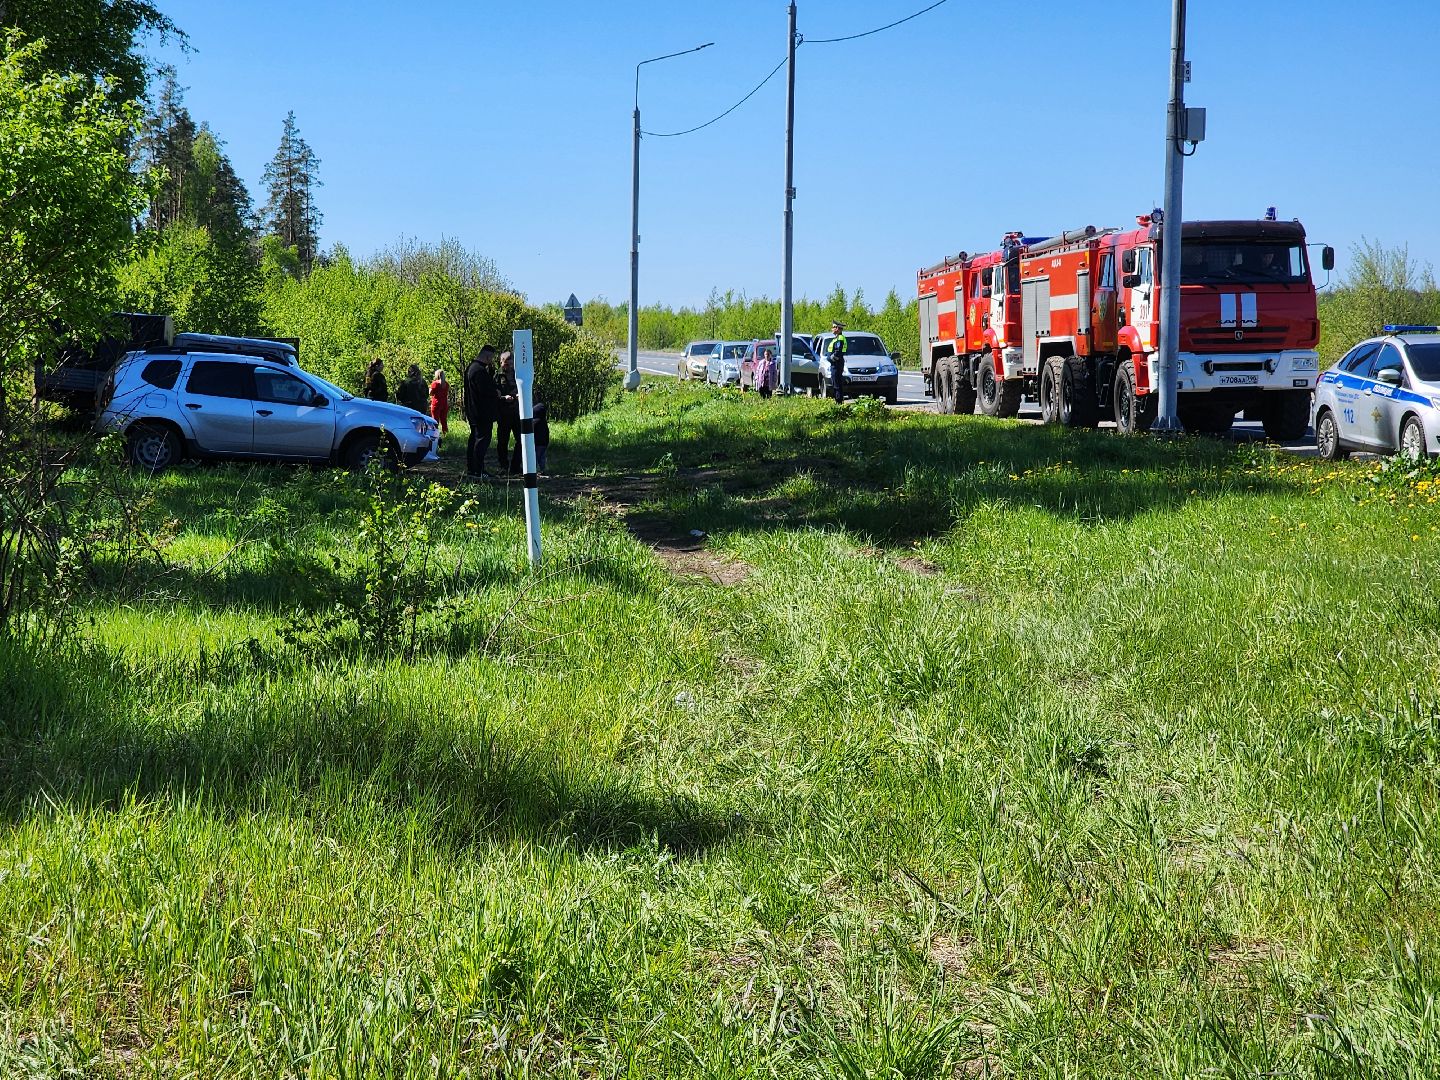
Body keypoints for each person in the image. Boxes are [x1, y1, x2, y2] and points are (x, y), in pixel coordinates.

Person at [463, 344, 499, 478]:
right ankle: (478, 470)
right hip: (482, 412)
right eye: (491, 358)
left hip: (473, 410)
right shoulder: (479, 371)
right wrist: (497, 392)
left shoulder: (470, 368)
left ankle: (472, 469)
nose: (491, 361)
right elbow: (485, 391)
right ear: (487, 356)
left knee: (474, 439)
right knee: (481, 440)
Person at [495, 349, 520, 474]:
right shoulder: (497, 376)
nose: (508, 366)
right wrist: (504, 398)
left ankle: (515, 467)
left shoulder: (518, 375)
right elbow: (494, 394)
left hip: (517, 412)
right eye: (505, 364)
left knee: (521, 440)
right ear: (501, 362)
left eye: (510, 363)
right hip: (503, 413)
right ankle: (503, 466)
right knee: (502, 442)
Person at [826, 321, 848, 403]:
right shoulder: (837, 338)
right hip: (835, 364)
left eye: (833, 327)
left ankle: (838, 402)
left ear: (838, 329)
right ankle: (838, 401)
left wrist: (831, 358)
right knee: (836, 383)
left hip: (836, 364)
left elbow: (838, 352)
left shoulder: (840, 338)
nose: (832, 329)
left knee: (836, 384)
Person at [428, 369, 450, 435]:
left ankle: (435, 435)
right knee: (444, 421)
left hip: (436, 404)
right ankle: (445, 434)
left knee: (435, 421)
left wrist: (429, 388)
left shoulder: (435, 383)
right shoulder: (446, 384)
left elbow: (430, 393)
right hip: (444, 404)